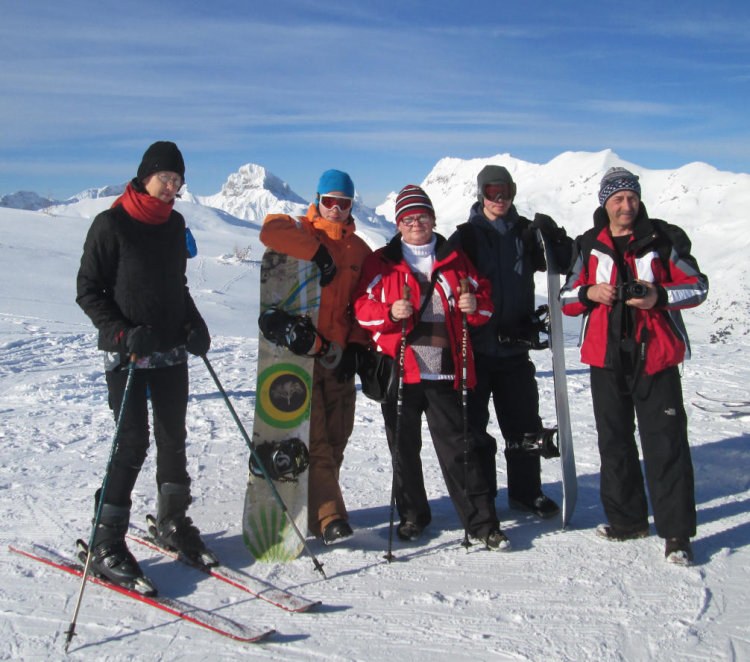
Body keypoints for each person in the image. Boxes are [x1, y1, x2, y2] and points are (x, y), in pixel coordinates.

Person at [76, 141, 215, 590]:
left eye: (178, 181)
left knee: (174, 437)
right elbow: (88, 290)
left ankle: (173, 521)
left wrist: (194, 324)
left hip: (170, 350)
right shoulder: (111, 223)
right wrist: (122, 334)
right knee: (132, 441)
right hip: (129, 353)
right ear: (145, 175)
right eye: (165, 178)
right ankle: (106, 541)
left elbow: (177, 284)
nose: (172, 187)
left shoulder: (174, 225)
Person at [560, 167, 708, 565]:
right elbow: (566, 299)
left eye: (632, 197)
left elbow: (698, 286)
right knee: (614, 442)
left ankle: (676, 533)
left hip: (656, 356)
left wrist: (659, 296)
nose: (626, 205)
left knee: (666, 444)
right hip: (606, 358)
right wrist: (589, 292)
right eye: (618, 199)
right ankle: (627, 521)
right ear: (605, 203)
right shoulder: (589, 244)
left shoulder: (664, 238)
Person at [355, 185, 510, 550]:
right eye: (408, 219)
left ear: (433, 219)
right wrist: (389, 312)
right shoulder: (382, 261)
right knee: (403, 450)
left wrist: (474, 305)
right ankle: (412, 516)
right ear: (398, 224)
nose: (416, 224)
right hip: (401, 369)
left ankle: (482, 523)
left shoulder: (455, 258)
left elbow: (484, 300)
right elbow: (361, 307)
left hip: (445, 370)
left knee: (460, 449)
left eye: (422, 217)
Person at [449, 165, 572, 519]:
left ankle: (526, 492)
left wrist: (555, 238)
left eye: (506, 191)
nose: (500, 198)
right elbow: (444, 281)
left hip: (515, 348)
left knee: (524, 426)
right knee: (475, 432)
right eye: (492, 192)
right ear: (481, 194)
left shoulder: (526, 233)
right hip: (475, 350)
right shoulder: (466, 237)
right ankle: (483, 497)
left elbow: (564, 263)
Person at [259, 169, 372, 545]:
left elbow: (363, 304)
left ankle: (314, 504)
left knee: (338, 436)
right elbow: (269, 230)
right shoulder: (302, 230)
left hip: (338, 357)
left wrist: (356, 346)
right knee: (316, 438)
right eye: (329, 201)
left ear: (352, 205)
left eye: (344, 202)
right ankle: (329, 517)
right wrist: (316, 252)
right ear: (318, 200)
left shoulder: (360, 250)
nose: (336, 209)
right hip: (300, 356)